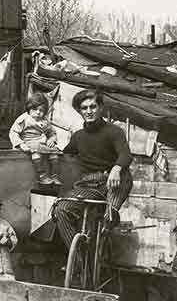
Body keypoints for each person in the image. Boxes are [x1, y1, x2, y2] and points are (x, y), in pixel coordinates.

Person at [54, 90, 133, 247]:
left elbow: (125, 155)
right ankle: (78, 259)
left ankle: (107, 229)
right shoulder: (78, 136)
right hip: (89, 184)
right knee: (61, 210)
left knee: (107, 218)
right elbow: (64, 156)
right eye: (84, 108)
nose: (89, 111)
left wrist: (116, 169)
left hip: (115, 180)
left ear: (101, 107)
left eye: (92, 107)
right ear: (79, 111)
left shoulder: (114, 131)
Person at [9, 94, 60, 186]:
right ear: (29, 108)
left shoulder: (45, 121)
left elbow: (52, 133)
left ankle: (54, 175)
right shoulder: (24, 119)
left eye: (41, 111)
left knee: (54, 154)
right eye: (35, 109)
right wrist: (21, 144)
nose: (38, 113)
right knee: (36, 154)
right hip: (28, 143)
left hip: (41, 143)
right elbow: (13, 132)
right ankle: (42, 176)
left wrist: (51, 140)